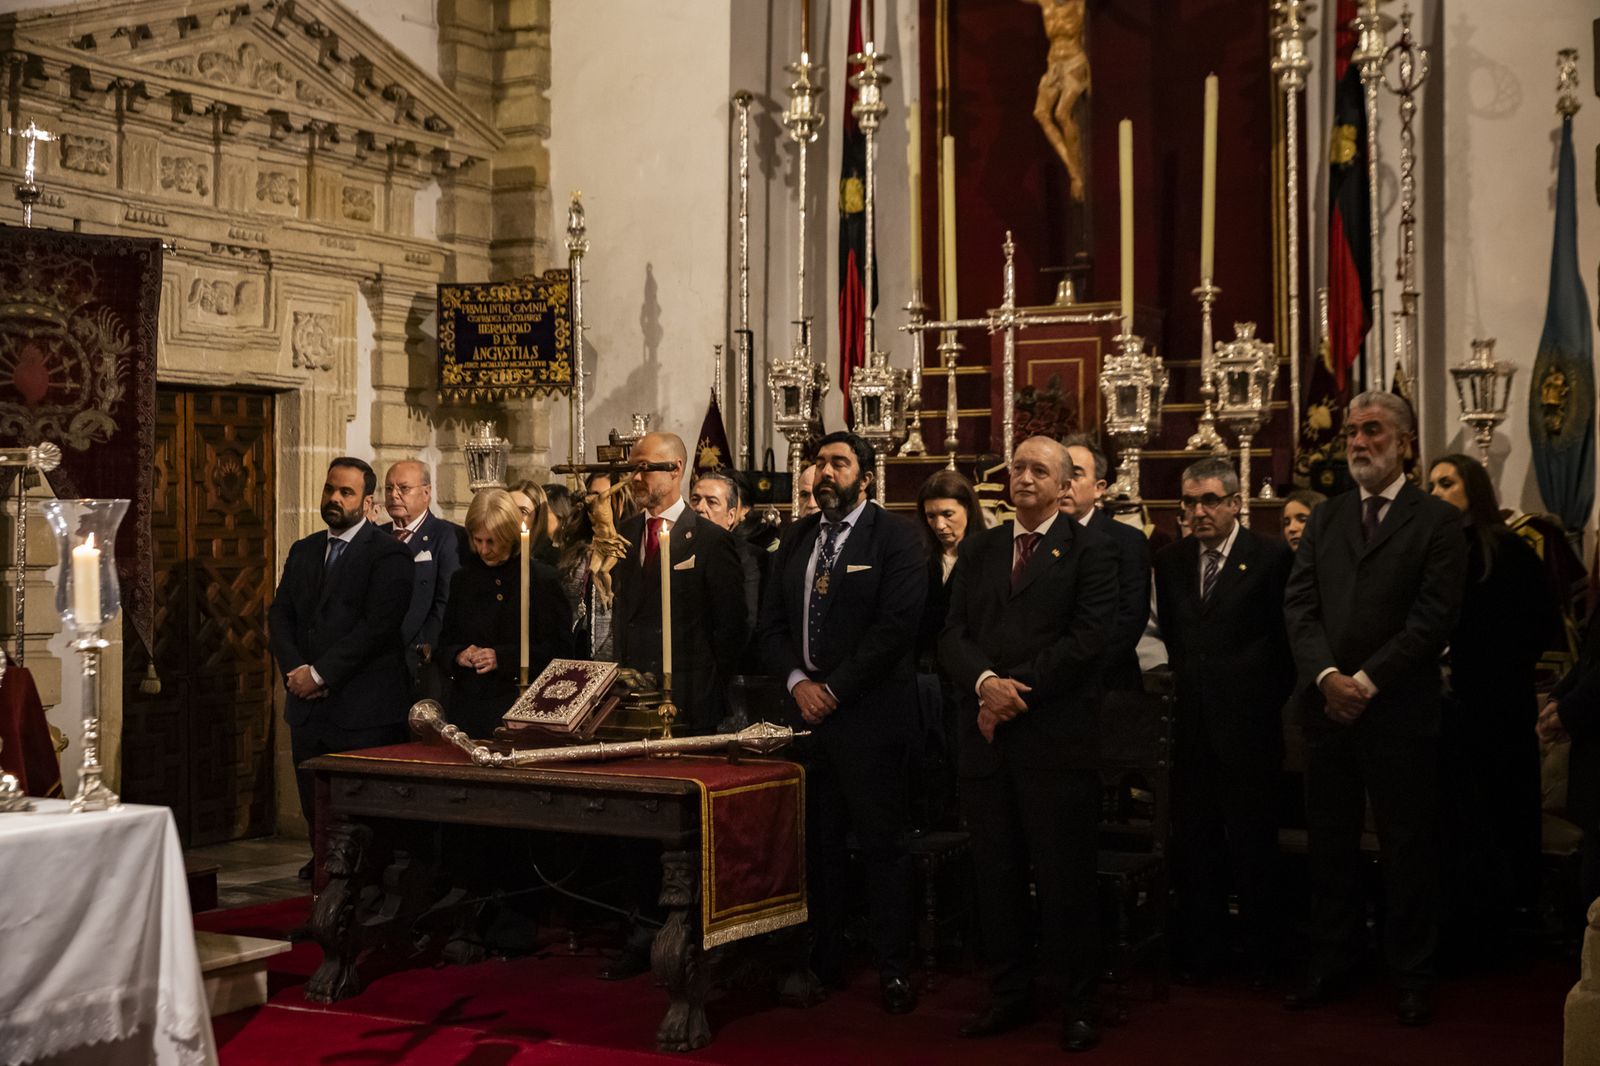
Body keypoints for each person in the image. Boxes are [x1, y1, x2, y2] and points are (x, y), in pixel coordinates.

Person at [1282, 392, 1467, 1026]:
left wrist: (1365, 680)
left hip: (1397, 711)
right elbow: (1300, 607)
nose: (1358, 442)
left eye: (1373, 431)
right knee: (1330, 846)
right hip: (1327, 710)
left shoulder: (1437, 522)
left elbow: (1432, 618)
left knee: (1407, 846)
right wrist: (1329, 676)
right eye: (1353, 433)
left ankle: (1412, 973)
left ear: (1405, 443)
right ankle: (1332, 963)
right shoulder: (1328, 517)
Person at [940, 436, 1119, 1052]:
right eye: (1016, 467)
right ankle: (1009, 992)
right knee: (997, 874)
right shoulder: (984, 547)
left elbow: (1090, 638)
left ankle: (1078, 1001)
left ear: (1066, 484)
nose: (1023, 477)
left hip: (1055, 740)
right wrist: (987, 684)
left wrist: (1020, 693)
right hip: (986, 741)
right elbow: (951, 633)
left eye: (1038, 469)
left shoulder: (1092, 548)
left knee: (1064, 876)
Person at [757, 431, 927, 1014]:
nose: (825, 472)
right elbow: (772, 625)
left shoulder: (898, 538)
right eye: (819, 463)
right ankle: (824, 957)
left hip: (870, 719)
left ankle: (893, 967)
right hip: (806, 718)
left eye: (839, 463)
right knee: (817, 844)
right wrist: (798, 684)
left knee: (882, 845)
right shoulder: (799, 537)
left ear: (866, 477)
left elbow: (896, 628)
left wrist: (833, 688)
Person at [1154, 457, 1296, 986]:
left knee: (1255, 846)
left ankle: (1264, 957)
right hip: (1192, 728)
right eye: (1189, 502)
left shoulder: (1270, 557)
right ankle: (1205, 953)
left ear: (1236, 503)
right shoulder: (1170, 562)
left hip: (1250, 728)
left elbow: (1284, 646)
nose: (1198, 512)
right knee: (1197, 847)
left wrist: (1256, 701)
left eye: (1210, 500)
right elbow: (1175, 637)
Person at [1428, 453, 1558, 956]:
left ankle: (1507, 919)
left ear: (1472, 490)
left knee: (1502, 809)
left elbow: (1541, 624)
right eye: (1432, 485)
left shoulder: (1505, 549)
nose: (1437, 492)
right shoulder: (1434, 550)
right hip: (1449, 708)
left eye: (1447, 483)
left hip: (1497, 706)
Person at [268, 457, 413, 879]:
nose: (334, 498)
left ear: (368, 502)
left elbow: (376, 628)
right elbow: (281, 616)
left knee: (362, 813)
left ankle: (361, 882)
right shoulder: (305, 550)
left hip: (361, 709)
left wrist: (320, 674)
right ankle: (323, 873)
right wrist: (295, 669)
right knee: (313, 800)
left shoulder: (390, 556)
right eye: (330, 489)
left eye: (345, 492)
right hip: (308, 707)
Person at [613, 433, 750, 733]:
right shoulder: (626, 531)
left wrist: (707, 684)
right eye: (632, 468)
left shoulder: (711, 540)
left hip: (688, 696)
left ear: (675, 469)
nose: (635, 477)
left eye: (645, 468)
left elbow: (731, 626)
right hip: (633, 697)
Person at [437, 488, 573, 739]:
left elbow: (561, 651)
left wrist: (502, 657)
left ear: (510, 535)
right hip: (468, 708)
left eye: (492, 541)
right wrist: (459, 654)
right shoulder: (463, 579)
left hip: (519, 706)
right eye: (478, 540)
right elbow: (444, 642)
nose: (484, 550)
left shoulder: (541, 579)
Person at [915, 469, 984, 829]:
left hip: (967, 682)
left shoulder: (985, 555)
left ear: (968, 511)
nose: (939, 524)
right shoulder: (921, 559)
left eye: (948, 514)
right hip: (926, 678)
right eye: (931, 516)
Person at [1061, 434, 1151, 691]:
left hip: (1107, 684)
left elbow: (1130, 619)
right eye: (1061, 474)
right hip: (1048, 686)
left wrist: (1073, 670)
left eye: (1076, 474)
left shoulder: (1126, 541)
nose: (1066, 483)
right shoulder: (1039, 538)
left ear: (1099, 487)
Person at [378, 460, 465, 692]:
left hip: (420, 661)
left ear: (426, 492)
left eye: (403, 488)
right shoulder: (376, 537)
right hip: (377, 659)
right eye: (389, 488)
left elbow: (445, 600)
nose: (394, 495)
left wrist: (423, 646)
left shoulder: (447, 536)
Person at [510, 479, 561, 565]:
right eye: (510, 509)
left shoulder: (553, 561)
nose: (514, 516)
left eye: (523, 512)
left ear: (538, 518)